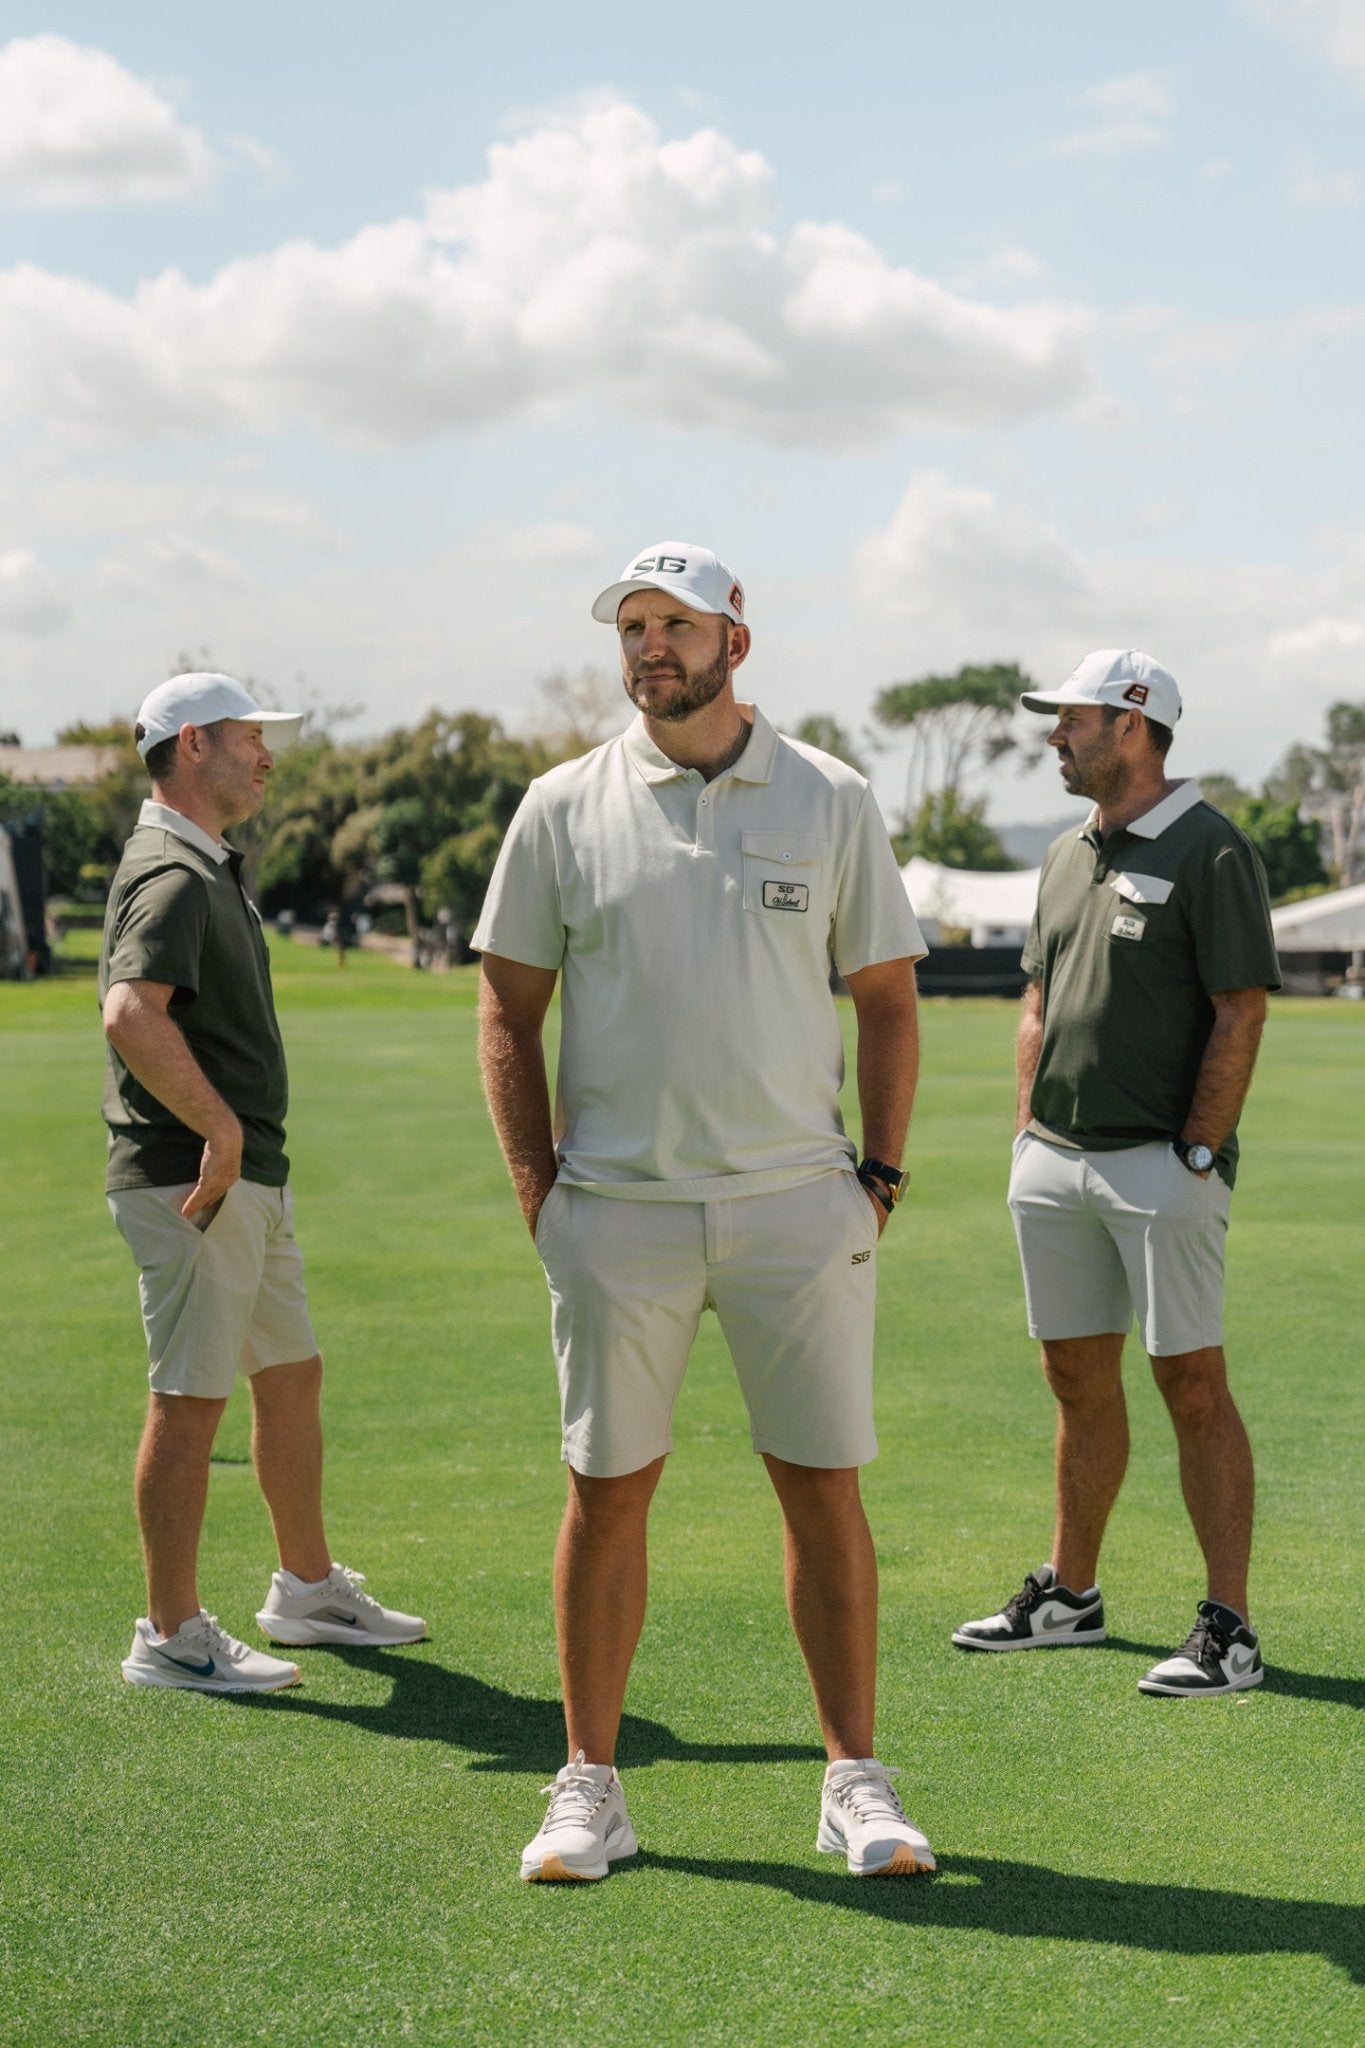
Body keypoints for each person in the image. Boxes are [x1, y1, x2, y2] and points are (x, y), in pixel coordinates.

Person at [475, 541, 935, 1883]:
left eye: (674, 624)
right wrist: (538, 1195)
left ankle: (854, 1781)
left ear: (738, 639)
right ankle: (590, 1789)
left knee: (822, 1492)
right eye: (631, 627)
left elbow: (890, 997)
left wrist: (881, 1178)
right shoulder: (560, 806)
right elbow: (506, 1007)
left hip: (799, 1206)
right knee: (605, 1493)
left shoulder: (832, 797)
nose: (647, 648)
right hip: (615, 1210)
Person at [952, 650, 1281, 1697]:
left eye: (1072, 720)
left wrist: (1197, 1149)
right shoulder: (1064, 853)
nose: (1053, 735)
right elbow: (1038, 1005)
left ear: (1133, 724)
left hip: (1160, 1165)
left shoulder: (1213, 848)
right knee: (1073, 1377)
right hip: (1055, 1161)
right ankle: (1072, 1598)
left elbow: (1240, 1007)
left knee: (1191, 1381)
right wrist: (1025, 1134)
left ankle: (1228, 1627)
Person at [100, 671, 425, 1692]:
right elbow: (129, 1012)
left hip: (240, 1175)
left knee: (289, 1374)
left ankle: (305, 1586)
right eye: (251, 736)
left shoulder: (206, 861)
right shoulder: (173, 870)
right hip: (198, 1177)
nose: (268, 754)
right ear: (193, 743)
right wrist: (222, 1130)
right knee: (189, 1399)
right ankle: (170, 1631)